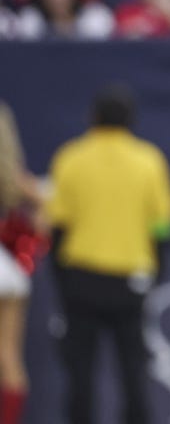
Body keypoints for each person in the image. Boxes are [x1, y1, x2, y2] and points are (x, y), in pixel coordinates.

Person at [45, 85, 170, 424]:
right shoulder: (149, 159)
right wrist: (155, 275)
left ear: (93, 118)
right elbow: (163, 228)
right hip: (130, 283)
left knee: (80, 377)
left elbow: (57, 226)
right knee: (134, 375)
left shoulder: (71, 157)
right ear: (131, 121)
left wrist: (62, 282)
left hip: (81, 280)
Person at [0, 102, 45, 424]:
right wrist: (26, 249)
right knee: (8, 356)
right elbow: (45, 209)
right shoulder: (12, 175)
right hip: (7, 271)